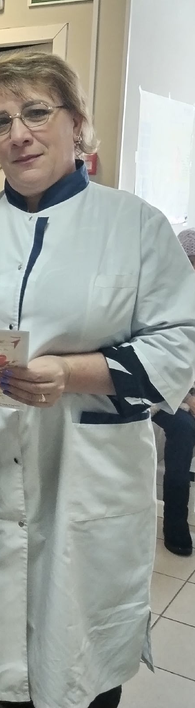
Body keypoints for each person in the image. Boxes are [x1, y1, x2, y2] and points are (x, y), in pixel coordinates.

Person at [0, 50, 195, 708]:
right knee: (6, 678)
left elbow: (179, 339)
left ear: (77, 124)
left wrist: (71, 374)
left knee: (83, 671)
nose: (18, 134)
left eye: (36, 112)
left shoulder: (135, 227)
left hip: (85, 479)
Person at [152, 228, 195, 556]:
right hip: (158, 394)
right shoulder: (161, 300)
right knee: (184, 428)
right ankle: (175, 525)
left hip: (187, 391)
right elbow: (157, 362)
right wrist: (187, 399)